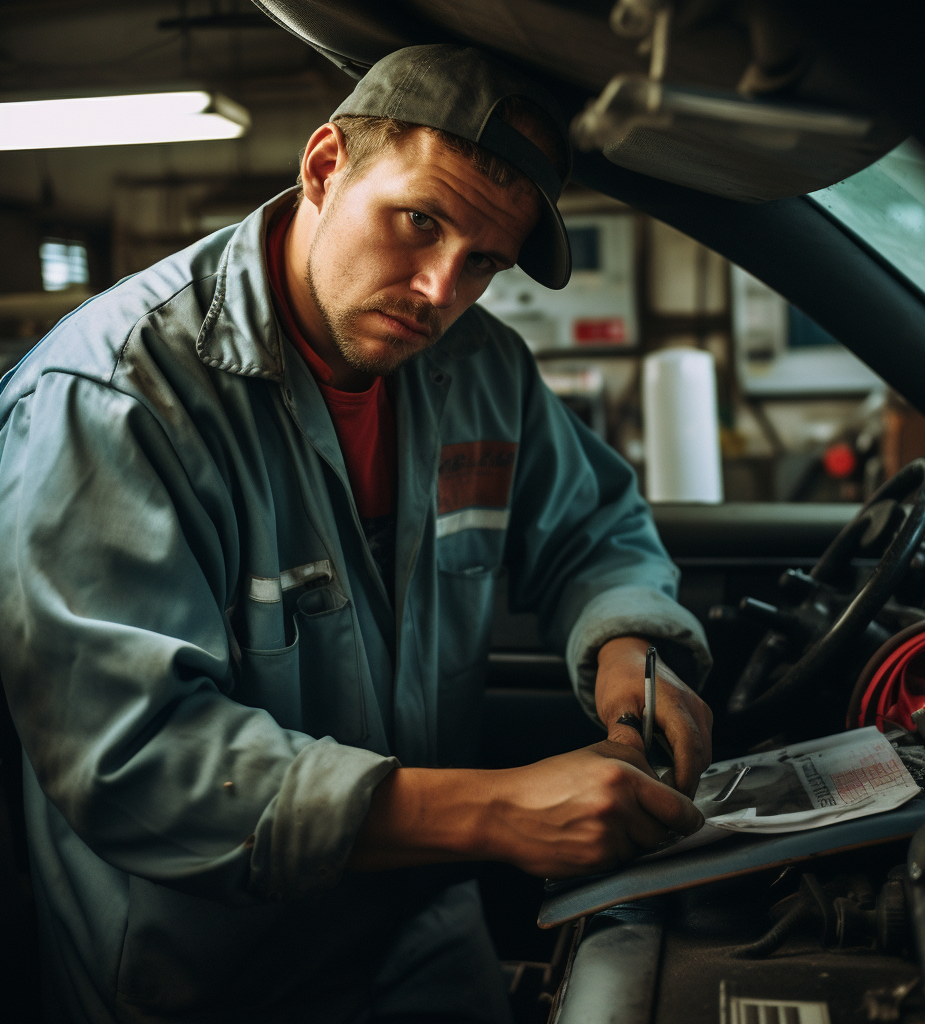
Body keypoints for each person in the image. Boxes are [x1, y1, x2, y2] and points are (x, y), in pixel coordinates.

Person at [0, 44, 713, 1024]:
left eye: (483, 263)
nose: (437, 291)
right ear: (326, 165)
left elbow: (591, 524)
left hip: (419, 924)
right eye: (418, 222)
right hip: (204, 970)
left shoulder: (477, 371)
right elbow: (139, 760)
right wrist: (496, 811)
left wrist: (630, 648)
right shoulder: (112, 401)